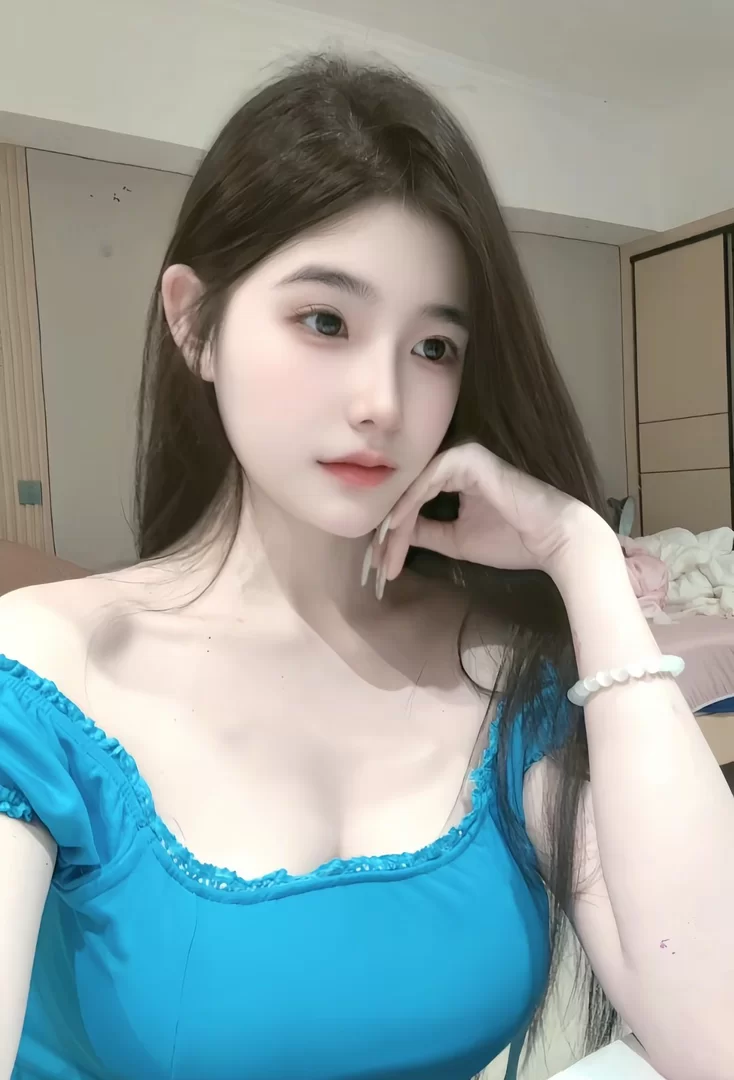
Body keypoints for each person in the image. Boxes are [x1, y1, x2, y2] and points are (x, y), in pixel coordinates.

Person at [0, 54, 732, 1080]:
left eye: (433, 348)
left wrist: (580, 554)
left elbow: (713, 1032)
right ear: (193, 322)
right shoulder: (43, 672)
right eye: (325, 321)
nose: (383, 402)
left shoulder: (502, 671)